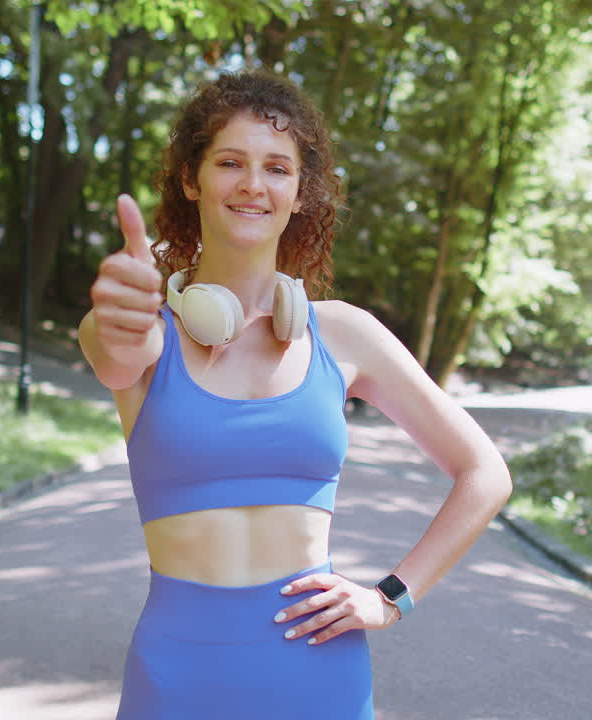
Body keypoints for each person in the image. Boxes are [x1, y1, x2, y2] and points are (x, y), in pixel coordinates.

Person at [78, 70, 511, 719]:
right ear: (192, 179)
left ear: (300, 192)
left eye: (277, 168)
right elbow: (113, 352)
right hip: (178, 678)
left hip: (320, 675)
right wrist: (114, 308)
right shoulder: (146, 333)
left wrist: (392, 596)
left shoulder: (345, 335)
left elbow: (485, 473)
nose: (254, 184)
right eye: (230, 162)